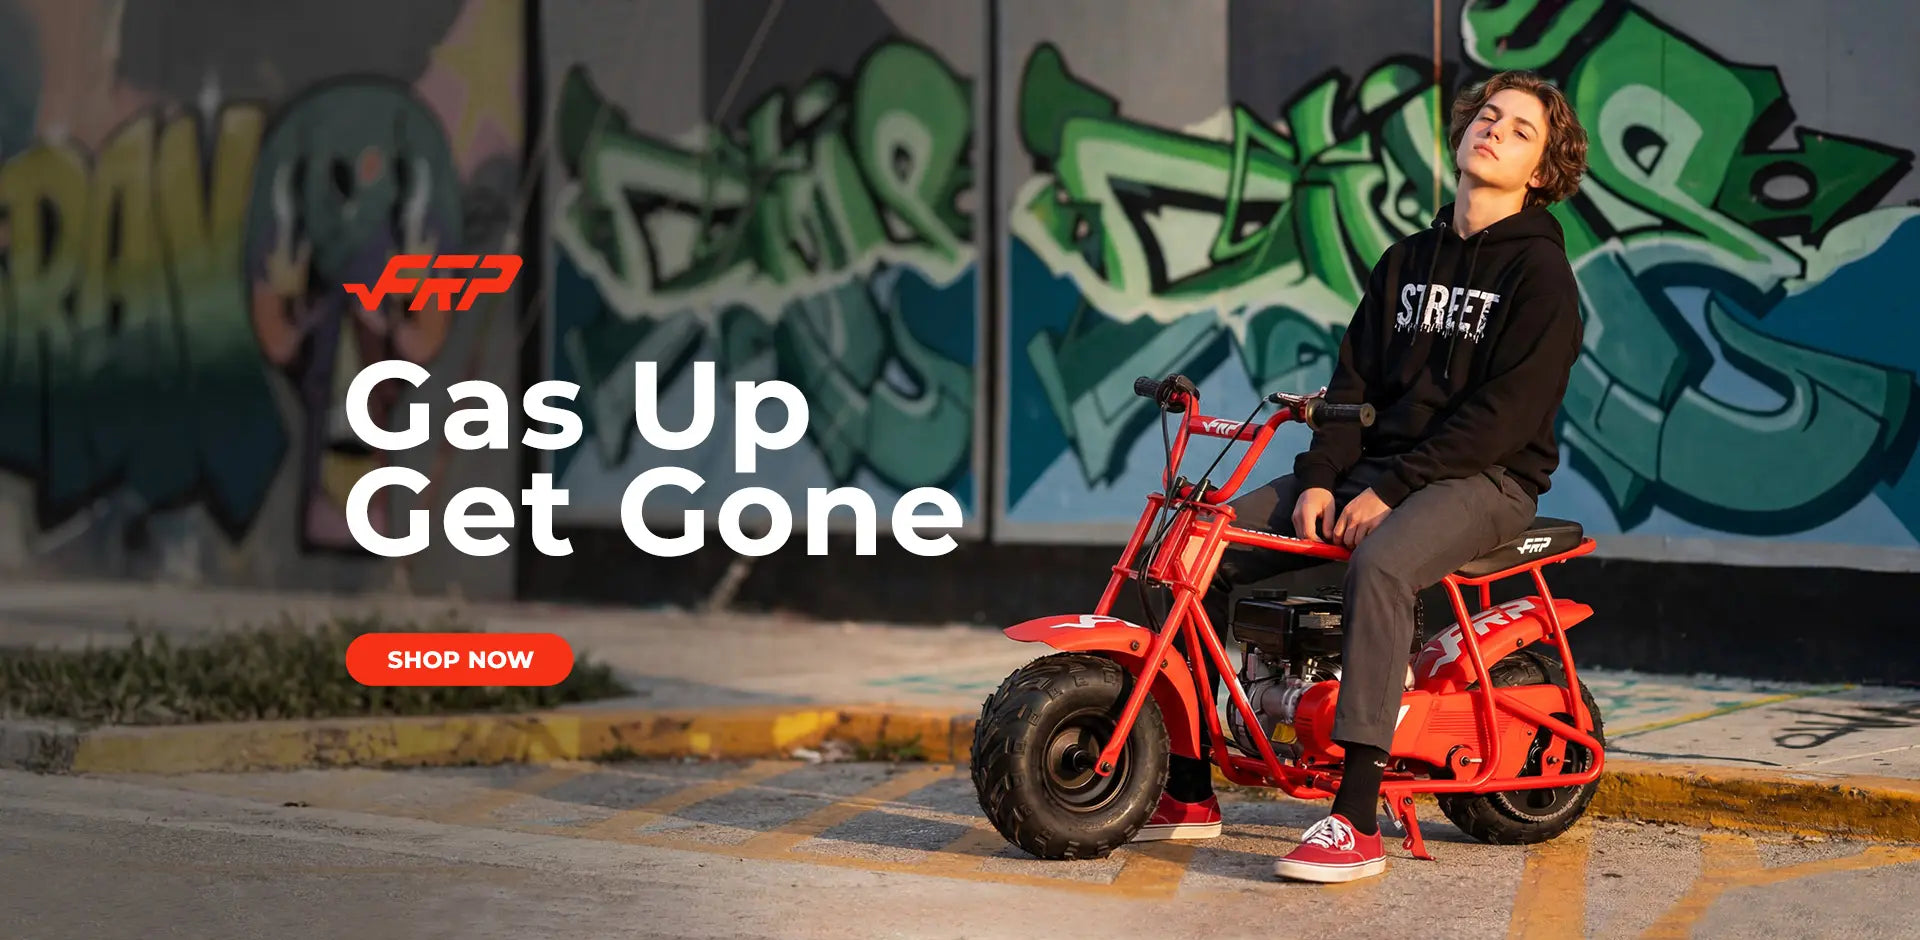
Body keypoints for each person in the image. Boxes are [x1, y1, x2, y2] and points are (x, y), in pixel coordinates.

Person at [1127, 70, 1591, 883]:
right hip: (1379, 469)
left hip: (1488, 481)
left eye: (1520, 130)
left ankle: (1355, 816)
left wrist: (1390, 488)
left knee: (1380, 567)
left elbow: (1502, 419)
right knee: (1190, 551)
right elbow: (1352, 388)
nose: (1493, 131)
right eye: (1487, 116)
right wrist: (1319, 477)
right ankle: (1193, 786)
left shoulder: (1542, 279)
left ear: (1544, 173)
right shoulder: (1406, 260)